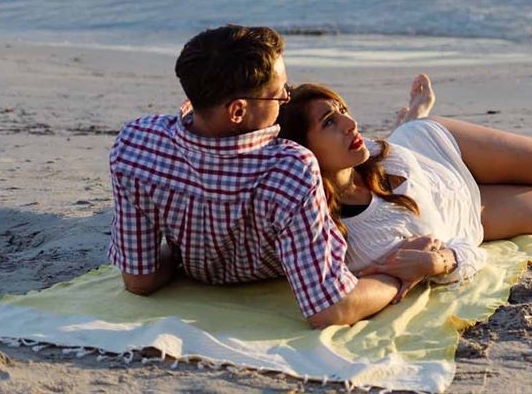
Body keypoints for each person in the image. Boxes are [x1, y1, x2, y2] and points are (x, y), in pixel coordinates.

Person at [106, 24, 407, 328]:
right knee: (391, 150)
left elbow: (140, 280)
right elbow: (330, 308)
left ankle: (410, 120)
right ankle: (410, 121)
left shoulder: (136, 145)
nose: (288, 98)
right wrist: (396, 277)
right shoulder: (290, 168)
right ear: (237, 112)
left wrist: (188, 255)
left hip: (197, 252)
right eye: (279, 96)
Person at [276, 74, 532, 301]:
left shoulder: (371, 152)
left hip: (436, 147)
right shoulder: (358, 244)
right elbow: (468, 253)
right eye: (330, 122)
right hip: (475, 215)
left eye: (343, 111)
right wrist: (440, 263)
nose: (351, 123)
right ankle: (410, 121)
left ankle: (413, 120)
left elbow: (384, 151)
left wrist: (410, 128)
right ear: (304, 152)